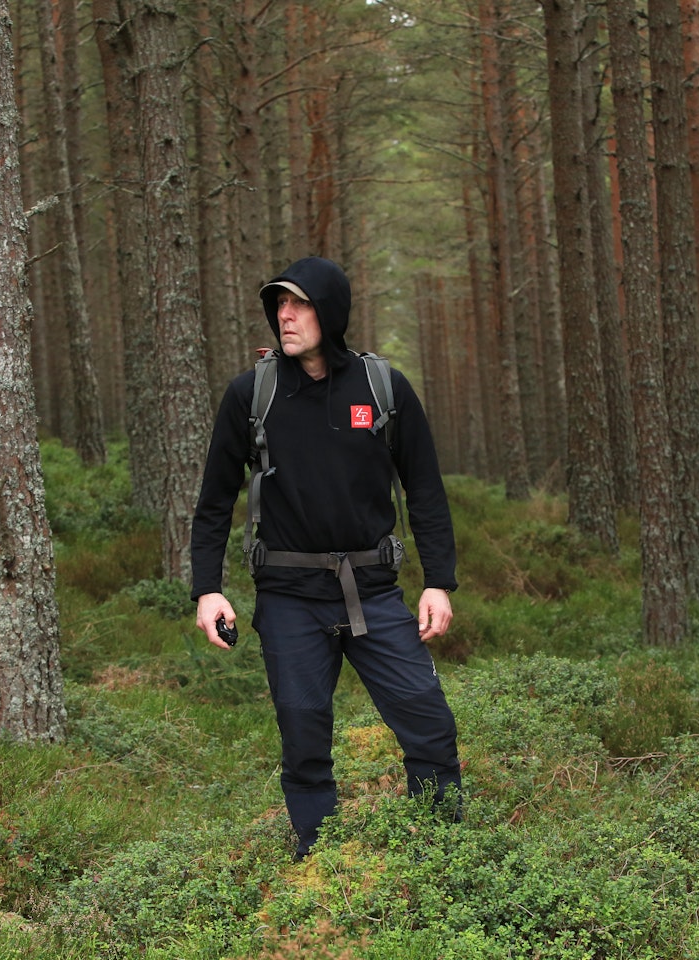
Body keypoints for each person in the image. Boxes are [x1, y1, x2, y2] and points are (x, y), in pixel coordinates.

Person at [190, 256, 462, 858]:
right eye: (279, 305)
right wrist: (207, 588)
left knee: (429, 723)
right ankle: (320, 858)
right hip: (289, 598)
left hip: (374, 593)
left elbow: (426, 491)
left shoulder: (382, 388)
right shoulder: (251, 395)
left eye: (300, 304)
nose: (285, 316)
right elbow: (214, 502)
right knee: (303, 734)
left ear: (330, 311)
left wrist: (438, 581)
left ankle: (444, 856)